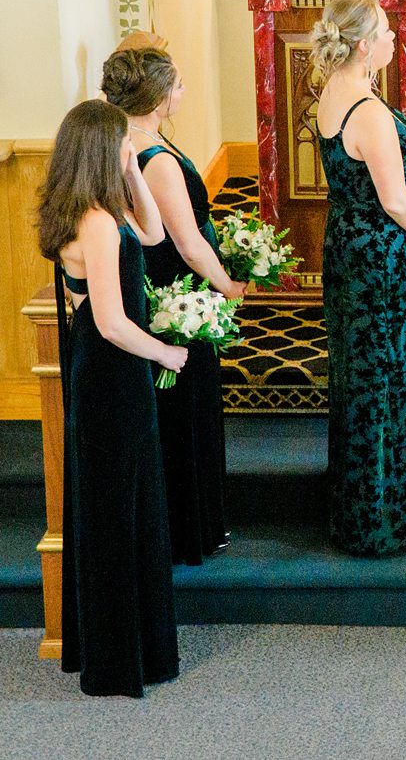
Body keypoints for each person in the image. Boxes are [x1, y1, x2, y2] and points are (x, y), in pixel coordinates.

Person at [37, 99, 185, 698]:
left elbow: (152, 233)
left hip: (112, 371)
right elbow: (111, 323)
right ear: (102, 146)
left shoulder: (101, 206)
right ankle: (121, 659)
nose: (135, 145)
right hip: (110, 371)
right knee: (116, 505)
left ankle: (130, 645)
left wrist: (130, 173)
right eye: (125, 141)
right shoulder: (95, 224)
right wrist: (167, 353)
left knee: (127, 498)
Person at [310, 0, 406, 557]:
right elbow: (395, 200)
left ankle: (356, 512)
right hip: (381, 258)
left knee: (357, 375)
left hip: (345, 245)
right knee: (389, 376)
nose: (396, 39)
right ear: (365, 45)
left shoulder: (330, 96)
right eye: (388, 32)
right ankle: (386, 520)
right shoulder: (368, 113)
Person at [102, 38, 244, 567]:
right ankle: (188, 529)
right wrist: (227, 284)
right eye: (178, 84)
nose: (184, 90)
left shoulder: (130, 138)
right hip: (176, 295)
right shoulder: (154, 158)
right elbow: (184, 240)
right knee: (186, 405)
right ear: (160, 95)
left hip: (164, 287)